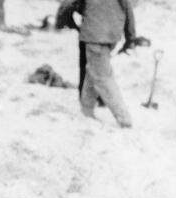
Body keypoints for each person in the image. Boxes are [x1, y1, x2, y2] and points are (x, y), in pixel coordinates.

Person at [58, 0, 136, 128]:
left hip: (94, 35)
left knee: (101, 77)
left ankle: (124, 118)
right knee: (93, 71)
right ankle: (86, 109)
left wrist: (69, 23)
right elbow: (128, 10)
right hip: (112, 36)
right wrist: (130, 38)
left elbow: (67, 4)